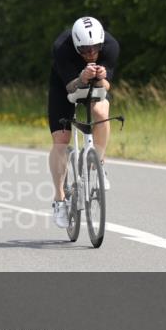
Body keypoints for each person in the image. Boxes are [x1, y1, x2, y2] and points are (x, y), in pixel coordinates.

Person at [48, 17, 120, 228]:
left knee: (100, 110)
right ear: (76, 46)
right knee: (61, 140)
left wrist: (100, 77)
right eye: (85, 51)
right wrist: (82, 77)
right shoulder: (62, 47)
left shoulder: (111, 45)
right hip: (65, 84)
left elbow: (106, 86)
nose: (90, 54)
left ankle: (99, 163)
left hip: (93, 83)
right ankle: (59, 198)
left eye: (95, 49)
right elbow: (72, 88)